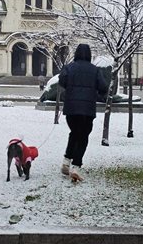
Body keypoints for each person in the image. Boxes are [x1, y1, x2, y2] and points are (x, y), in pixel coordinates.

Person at [58, 43, 108, 182]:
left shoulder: (69, 68)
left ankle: (66, 161)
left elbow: (62, 81)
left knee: (74, 133)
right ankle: (76, 165)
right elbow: (103, 86)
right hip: (87, 110)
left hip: (71, 109)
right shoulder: (95, 70)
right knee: (83, 136)